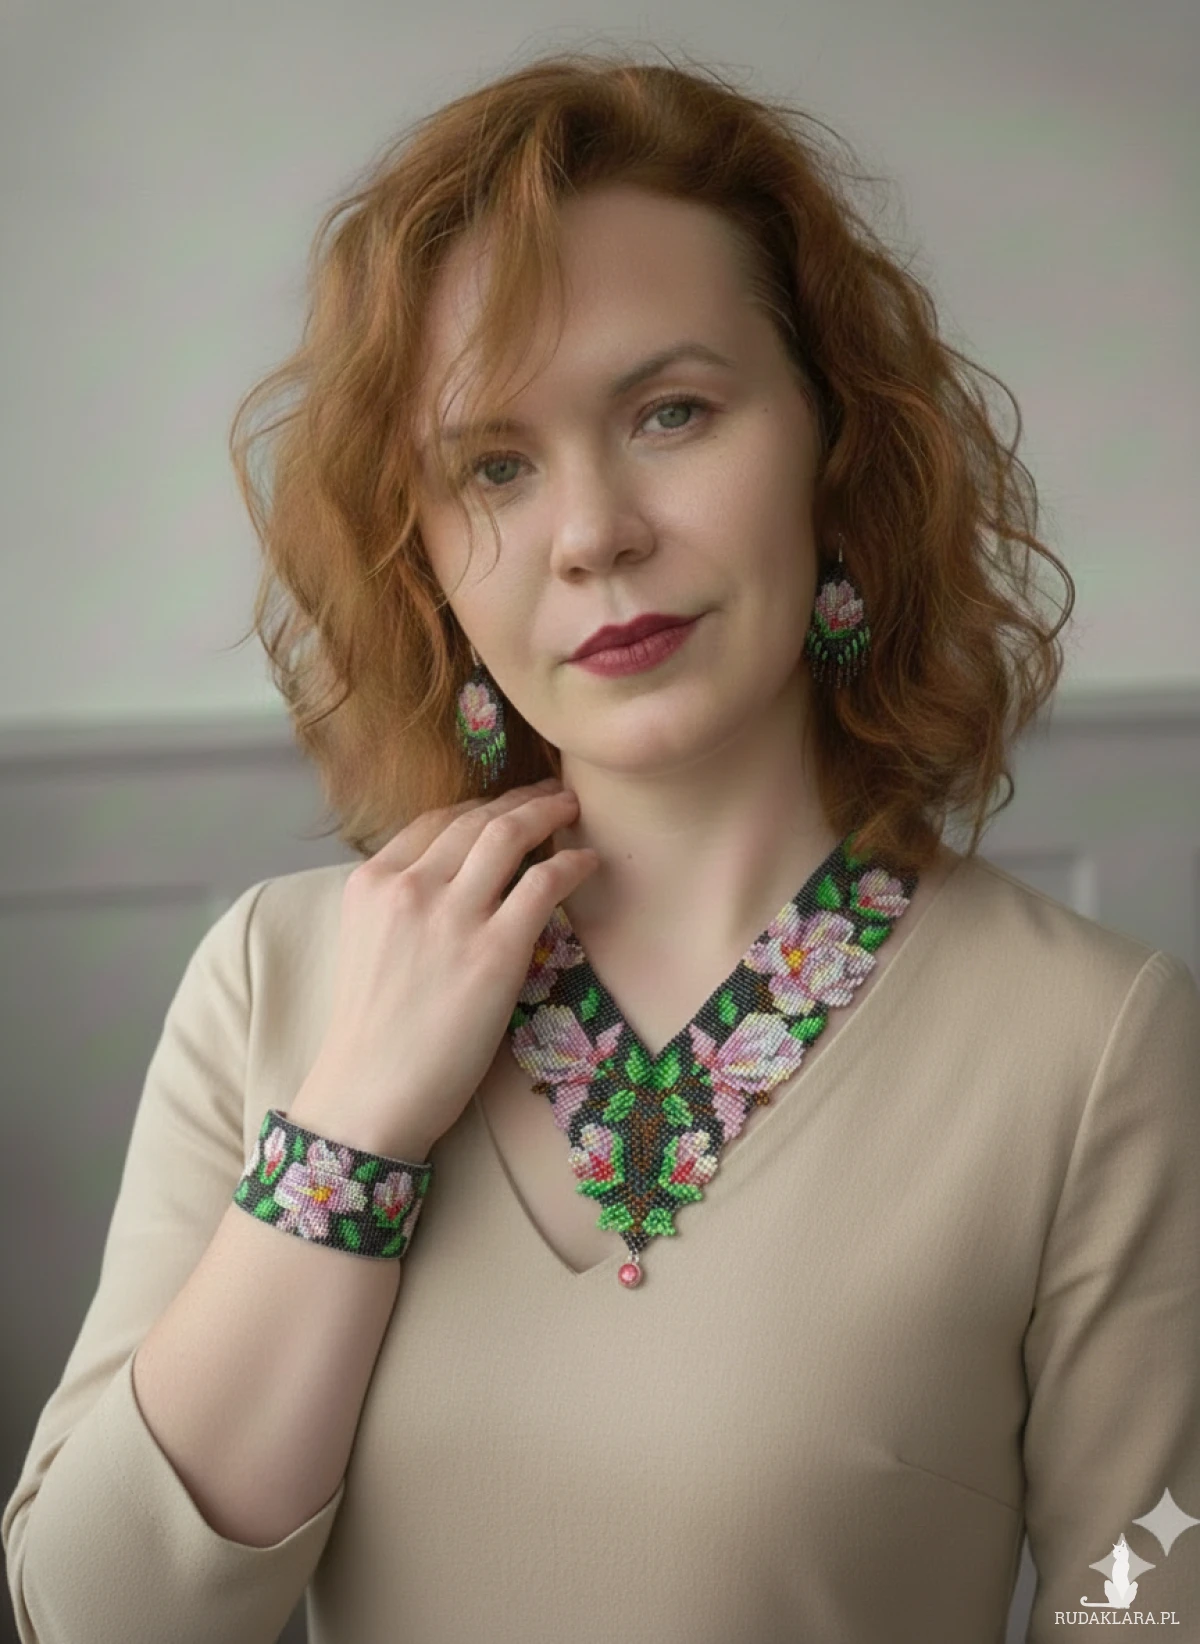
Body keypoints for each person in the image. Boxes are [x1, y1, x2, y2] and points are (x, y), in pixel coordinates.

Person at [5, 44, 1198, 1644]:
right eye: (492, 466)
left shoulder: (1092, 1043)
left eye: (672, 412)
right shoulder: (277, 981)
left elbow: (1152, 1581)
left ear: (838, 451)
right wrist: (350, 1132)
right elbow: (92, 1615)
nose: (592, 534)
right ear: (426, 555)